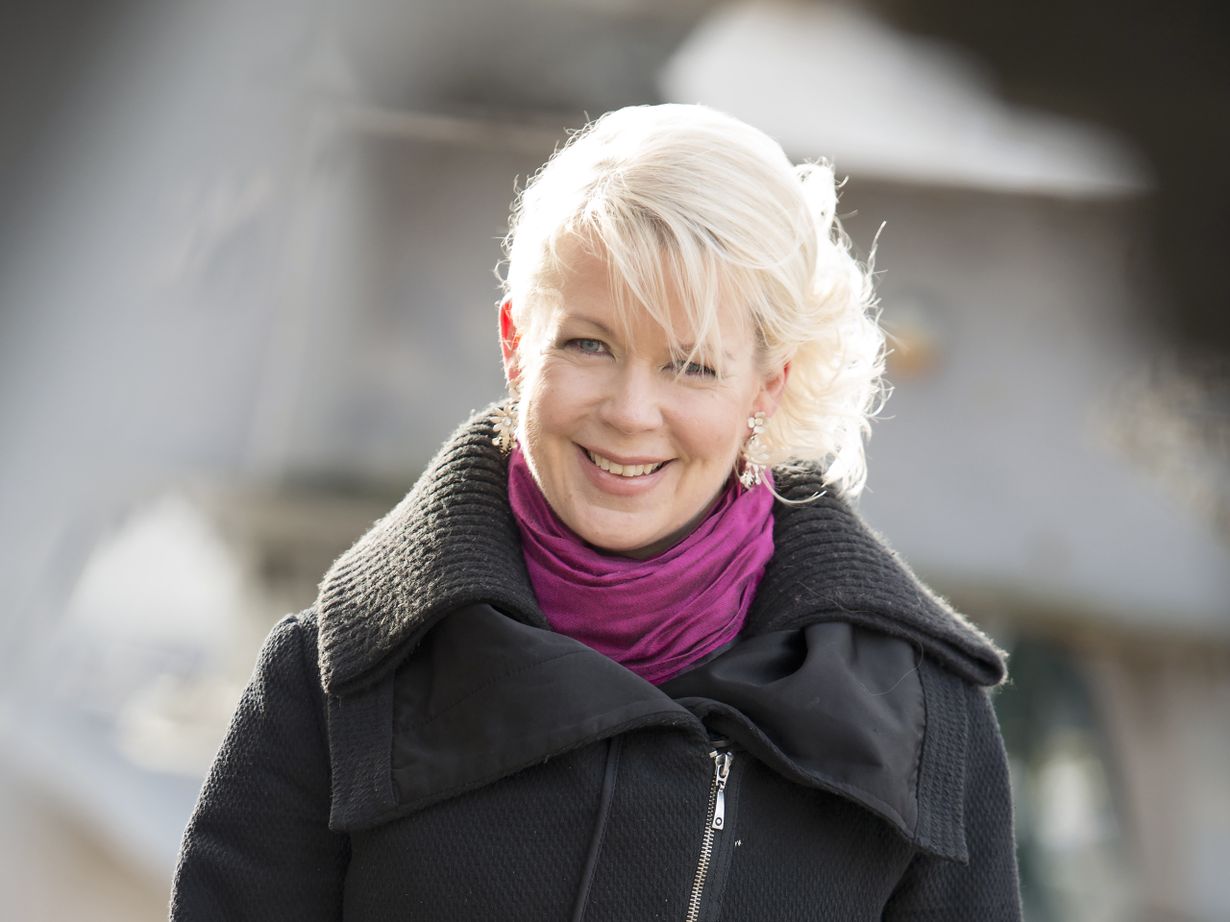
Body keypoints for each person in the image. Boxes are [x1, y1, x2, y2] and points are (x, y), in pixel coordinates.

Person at [171, 103, 1021, 921]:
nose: (630, 412)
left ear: (768, 386)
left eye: (691, 366)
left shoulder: (925, 728)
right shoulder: (332, 684)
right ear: (516, 344)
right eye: (589, 345)